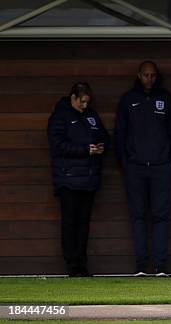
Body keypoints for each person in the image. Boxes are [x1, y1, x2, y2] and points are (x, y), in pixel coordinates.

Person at [115, 61, 171, 277]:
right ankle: (141, 266)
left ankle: (161, 266)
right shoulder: (128, 99)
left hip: (161, 167)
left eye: (152, 75)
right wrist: (125, 161)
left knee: (161, 215)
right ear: (139, 75)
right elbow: (120, 132)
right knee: (137, 215)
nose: (149, 79)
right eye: (145, 75)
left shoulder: (166, 98)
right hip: (135, 167)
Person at [48, 82, 110, 277]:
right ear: (73, 98)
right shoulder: (60, 116)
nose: (84, 105)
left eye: (87, 102)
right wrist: (85, 150)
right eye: (82, 102)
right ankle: (72, 264)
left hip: (89, 179)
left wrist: (101, 147)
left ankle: (82, 265)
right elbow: (57, 144)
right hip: (68, 179)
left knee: (84, 224)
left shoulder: (91, 116)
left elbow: (104, 136)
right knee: (70, 223)